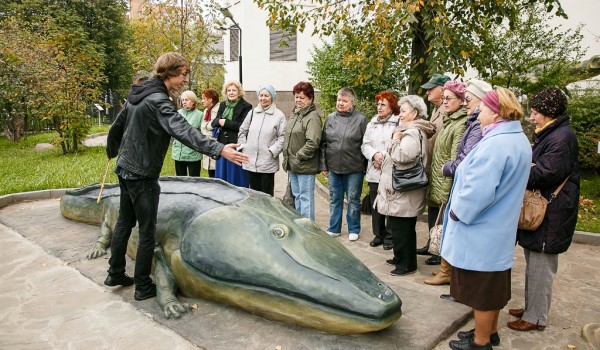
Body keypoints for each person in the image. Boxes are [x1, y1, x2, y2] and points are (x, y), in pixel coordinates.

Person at [105, 52, 248, 302]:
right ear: (169, 73)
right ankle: (142, 285)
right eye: (183, 74)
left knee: (124, 223)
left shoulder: (138, 92)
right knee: (147, 231)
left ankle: (115, 272)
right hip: (141, 173)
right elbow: (181, 129)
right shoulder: (157, 99)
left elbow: (117, 126)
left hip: (126, 167)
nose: (185, 80)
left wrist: (112, 150)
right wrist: (218, 148)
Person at [442, 88, 532, 350]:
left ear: (495, 112)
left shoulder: (496, 144)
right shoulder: (516, 139)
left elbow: (478, 190)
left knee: (480, 291)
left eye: (481, 109)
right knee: (491, 288)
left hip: (481, 230)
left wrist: (458, 211)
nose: (477, 113)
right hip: (498, 228)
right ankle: (488, 333)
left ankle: (481, 343)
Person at [507, 87, 580, 333]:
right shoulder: (552, 132)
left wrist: (522, 166)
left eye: (536, 112)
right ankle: (531, 307)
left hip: (552, 213)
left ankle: (536, 317)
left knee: (541, 265)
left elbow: (546, 173)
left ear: (550, 112)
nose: (531, 117)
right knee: (533, 261)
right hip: (547, 210)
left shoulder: (560, 137)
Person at [429, 79, 493, 291]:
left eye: (467, 100)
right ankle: (447, 272)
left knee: (453, 232)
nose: (466, 104)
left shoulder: (470, 125)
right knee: (449, 229)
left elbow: (461, 158)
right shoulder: (464, 121)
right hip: (447, 179)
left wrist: (447, 171)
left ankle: (450, 275)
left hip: (453, 181)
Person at [374, 95, 435, 276]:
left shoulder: (413, 132)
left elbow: (402, 156)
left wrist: (395, 139)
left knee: (403, 229)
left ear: (414, 113)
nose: (400, 114)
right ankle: (400, 257)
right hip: (402, 188)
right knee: (400, 226)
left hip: (405, 188)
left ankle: (407, 264)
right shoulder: (409, 130)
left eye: (403, 111)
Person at [423, 81, 468, 270]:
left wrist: (447, 188)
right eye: (445, 98)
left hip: (445, 179)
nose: (445, 101)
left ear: (461, 100)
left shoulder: (460, 123)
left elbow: (454, 158)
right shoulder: (449, 119)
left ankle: (441, 256)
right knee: (435, 215)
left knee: (444, 220)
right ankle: (433, 247)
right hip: (437, 175)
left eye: (449, 98)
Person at [319, 87, 369, 241]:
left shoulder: (361, 119)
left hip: (354, 168)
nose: (340, 103)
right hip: (334, 167)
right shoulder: (330, 118)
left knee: (353, 199)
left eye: (344, 100)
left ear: (351, 102)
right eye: (339, 99)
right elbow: (323, 144)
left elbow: (366, 143)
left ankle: (354, 228)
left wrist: (366, 167)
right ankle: (334, 228)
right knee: (335, 199)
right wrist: (323, 165)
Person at [416, 73, 451, 259]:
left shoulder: (448, 112)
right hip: (431, 166)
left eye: (432, 88)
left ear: (443, 89)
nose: (428, 91)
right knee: (433, 208)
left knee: (441, 210)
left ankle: (440, 250)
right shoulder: (436, 110)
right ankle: (431, 243)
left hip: (441, 169)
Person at [361, 90, 400, 250]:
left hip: (389, 169)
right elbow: (365, 144)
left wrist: (382, 158)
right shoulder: (372, 123)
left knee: (389, 203)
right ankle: (379, 234)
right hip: (374, 170)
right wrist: (374, 155)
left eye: (383, 104)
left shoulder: (398, 123)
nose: (379, 107)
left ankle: (390, 236)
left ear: (391, 107)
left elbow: (396, 144)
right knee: (375, 204)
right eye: (378, 104)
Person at [282, 82, 322, 221]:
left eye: (302, 97)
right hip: (293, 165)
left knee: (306, 198)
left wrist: (298, 156)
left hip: (304, 165)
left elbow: (313, 142)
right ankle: (301, 225)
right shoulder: (295, 114)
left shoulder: (312, 117)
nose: (298, 100)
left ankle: (309, 229)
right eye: (297, 97)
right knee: (297, 196)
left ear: (310, 99)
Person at [237, 84, 286, 196]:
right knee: (254, 193)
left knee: (267, 195)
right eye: (261, 95)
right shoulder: (252, 113)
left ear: (272, 97)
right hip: (251, 159)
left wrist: (272, 151)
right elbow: (242, 130)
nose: (263, 98)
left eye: (266, 96)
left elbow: (283, 137)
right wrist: (243, 146)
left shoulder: (279, 115)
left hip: (267, 162)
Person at [211, 81, 253, 186]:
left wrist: (225, 122)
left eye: (234, 90)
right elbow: (214, 122)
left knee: (236, 178)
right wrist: (220, 122)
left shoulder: (246, 106)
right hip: (222, 146)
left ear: (239, 92)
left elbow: (243, 126)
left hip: (236, 146)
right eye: (228, 90)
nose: (231, 92)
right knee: (222, 178)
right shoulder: (223, 105)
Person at [171, 90, 203, 176]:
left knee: (194, 182)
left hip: (193, 154)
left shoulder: (200, 115)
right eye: (183, 100)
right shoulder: (177, 113)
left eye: (187, 100)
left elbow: (202, 135)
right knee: (180, 182)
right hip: (178, 153)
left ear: (193, 101)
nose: (184, 102)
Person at [201, 88, 219, 177]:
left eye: (204, 98)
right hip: (207, 143)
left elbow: (211, 126)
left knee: (216, 171)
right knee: (210, 171)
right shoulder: (206, 111)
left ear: (210, 99)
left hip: (215, 143)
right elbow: (203, 127)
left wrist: (206, 126)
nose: (202, 101)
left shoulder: (217, 110)